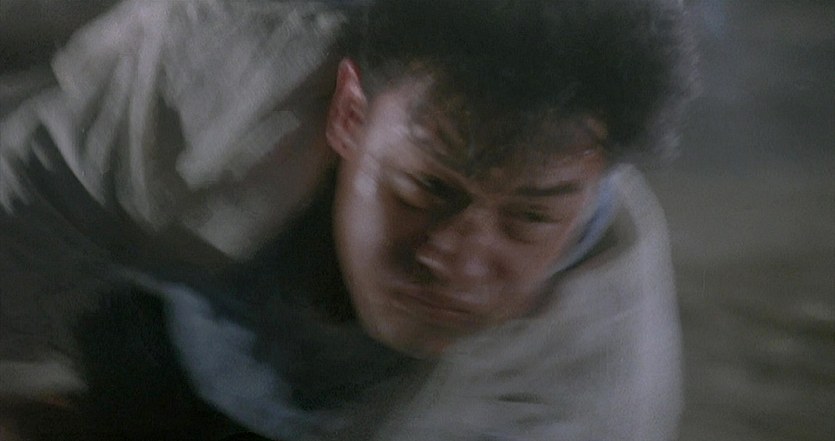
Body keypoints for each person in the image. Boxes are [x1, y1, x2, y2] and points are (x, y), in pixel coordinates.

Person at [0, 0, 696, 439]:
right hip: (145, 319)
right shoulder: (202, 73)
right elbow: (26, 207)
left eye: (530, 216)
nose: (456, 257)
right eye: (427, 188)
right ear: (349, 112)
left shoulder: (596, 372)